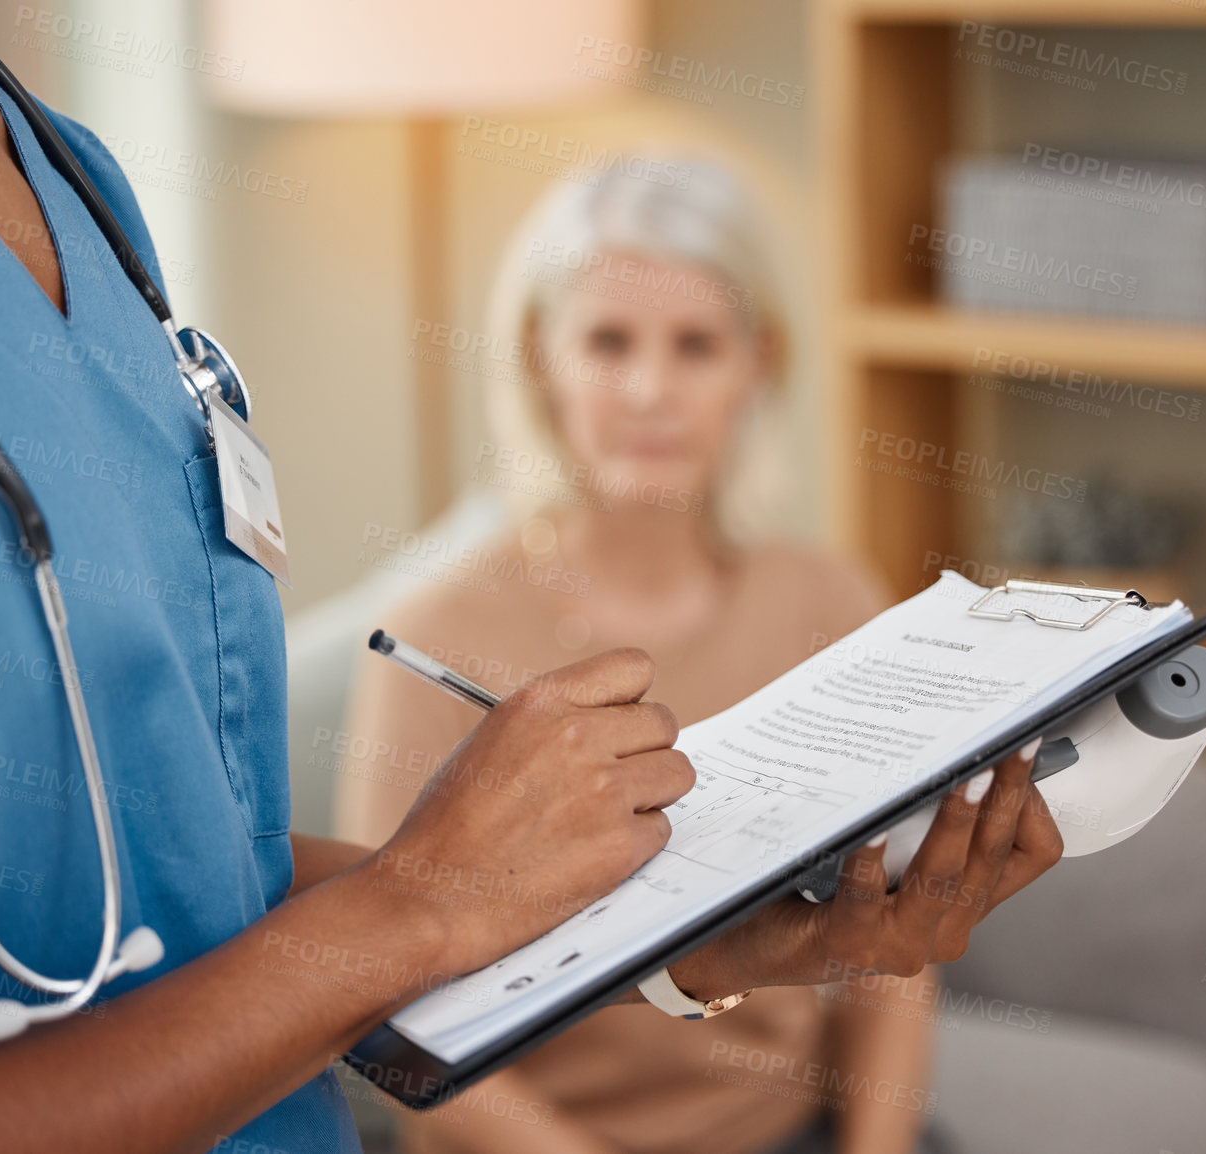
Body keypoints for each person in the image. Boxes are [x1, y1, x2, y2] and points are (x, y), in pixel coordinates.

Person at [0, 2, 1063, 1150]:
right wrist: (417, 903)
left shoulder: (63, 169)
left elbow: (197, 864)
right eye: (609, 343)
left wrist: (686, 928)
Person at [337, 158, 952, 1154]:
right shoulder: (435, 634)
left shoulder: (832, 603)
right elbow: (381, 1003)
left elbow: (893, 955)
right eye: (609, 341)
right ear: (542, 355)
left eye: (696, 345)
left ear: (763, 359)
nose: (650, 390)